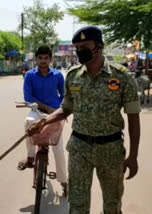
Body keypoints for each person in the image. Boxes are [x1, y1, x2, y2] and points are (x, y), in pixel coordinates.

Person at [28, 26, 141, 214]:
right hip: (79, 149)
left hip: (111, 150)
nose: (80, 51)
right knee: (77, 206)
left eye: (85, 46)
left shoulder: (122, 77)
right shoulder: (73, 77)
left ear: (99, 46)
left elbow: (134, 119)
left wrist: (134, 156)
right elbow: (66, 109)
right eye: (77, 48)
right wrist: (45, 120)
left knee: (112, 205)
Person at [17, 46, 68, 193]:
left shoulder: (58, 75)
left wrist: (58, 109)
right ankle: (30, 157)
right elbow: (28, 97)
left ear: (50, 59)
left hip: (55, 114)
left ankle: (64, 182)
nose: (43, 61)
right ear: (36, 59)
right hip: (37, 111)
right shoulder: (30, 76)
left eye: (46, 58)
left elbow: (64, 95)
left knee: (58, 149)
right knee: (28, 122)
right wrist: (46, 107)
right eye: (40, 58)